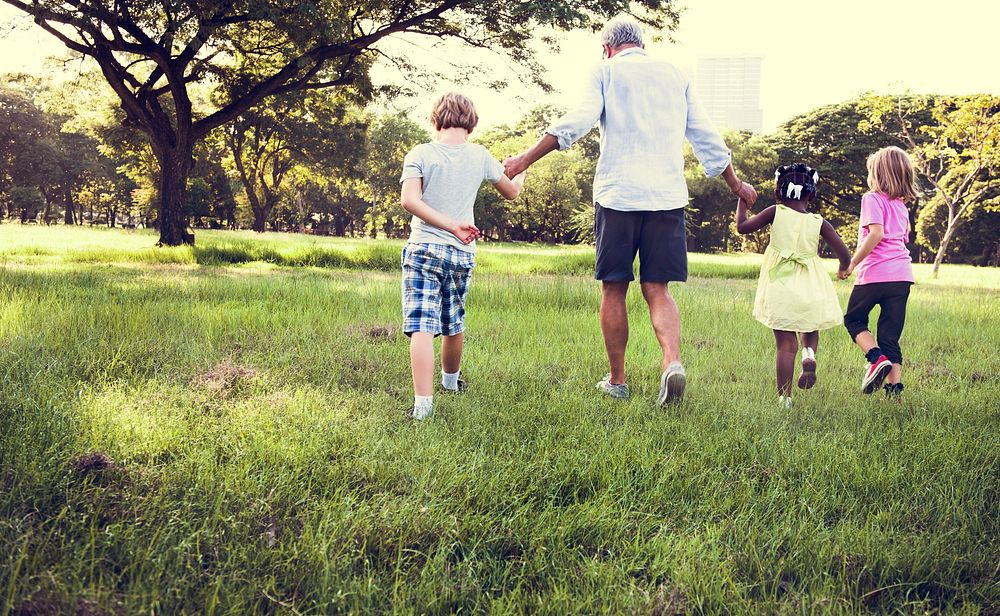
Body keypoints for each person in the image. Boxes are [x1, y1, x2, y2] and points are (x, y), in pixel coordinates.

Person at [503, 15, 758, 405]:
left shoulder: (604, 71)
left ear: (607, 47)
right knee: (658, 288)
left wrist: (524, 160)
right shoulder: (676, 73)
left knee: (614, 287)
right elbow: (705, 135)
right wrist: (735, 184)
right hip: (666, 198)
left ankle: (618, 380)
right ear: (642, 43)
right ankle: (672, 362)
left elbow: (577, 121)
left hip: (618, 197)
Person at [399, 92, 526, 420]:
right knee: (453, 321)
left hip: (424, 247)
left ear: (436, 118)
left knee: (422, 326)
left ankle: (423, 407)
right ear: (471, 122)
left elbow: (409, 200)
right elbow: (512, 192)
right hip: (461, 253)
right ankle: (451, 384)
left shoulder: (420, 153)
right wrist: (521, 168)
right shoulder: (481, 156)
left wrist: (449, 225)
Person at [736, 164, 851, 408]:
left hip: (780, 285)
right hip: (811, 284)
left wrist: (742, 200)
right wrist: (843, 268)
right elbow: (845, 253)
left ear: (779, 193)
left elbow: (742, 227)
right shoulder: (819, 222)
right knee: (810, 326)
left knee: (786, 346)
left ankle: (784, 400)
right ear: (811, 195)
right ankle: (809, 353)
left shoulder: (775, 212)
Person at [839, 146, 918, 398]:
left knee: (853, 320)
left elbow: (876, 234)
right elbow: (900, 239)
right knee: (890, 336)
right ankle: (895, 395)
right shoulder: (902, 207)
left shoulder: (871, 198)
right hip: (902, 276)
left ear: (878, 173)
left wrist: (851, 263)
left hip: (875, 274)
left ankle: (875, 358)